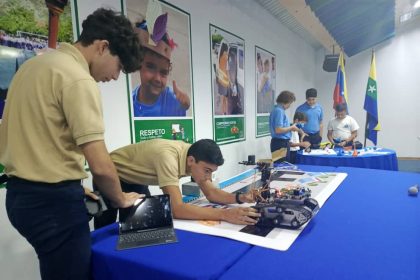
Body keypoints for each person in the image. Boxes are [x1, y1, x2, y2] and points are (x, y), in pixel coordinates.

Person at [0, 8, 143, 280]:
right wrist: (122, 198)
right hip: (53, 205)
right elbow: (100, 166)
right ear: (103, 47)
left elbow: (39, 137)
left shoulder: (33, 66)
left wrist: (74, 186)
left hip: (19, 197)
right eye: (119, 67)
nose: (114, 77)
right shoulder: (78, 79)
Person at [94, 138, 260, 229]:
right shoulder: (168, 158)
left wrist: (241, 197)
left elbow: (212, 194)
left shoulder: (195, 156)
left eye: (211, 172)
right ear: (190, 160)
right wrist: (225, 214)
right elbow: (177, 209)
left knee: (137, 229)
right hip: (111, 175)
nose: (208, 177)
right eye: (207, 171)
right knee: (104, 229)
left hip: (136, 179)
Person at [132, 13, 190, 117]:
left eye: (164, 72)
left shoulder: (173, 101)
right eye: (150, 67)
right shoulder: (129, 104)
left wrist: (184, 105)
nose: (158, 79)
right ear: (139, 63)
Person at [269, 90, 300, 163]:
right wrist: (291, 128)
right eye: (290, 103)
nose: (290, 106)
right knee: (281, 167)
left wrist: (290, 126)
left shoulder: (277, 110)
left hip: (281, 143)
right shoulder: (279, 111)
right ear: (286, 101)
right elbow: (278, 130)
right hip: (280, 143)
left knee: (283, 165)